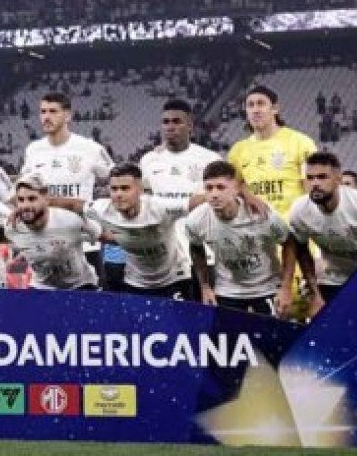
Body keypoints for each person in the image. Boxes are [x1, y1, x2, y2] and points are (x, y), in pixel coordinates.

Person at [49, 163, 207, 300]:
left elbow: (194, 202)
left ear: (140, 190)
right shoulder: (103, 209)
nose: (118, 194)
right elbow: (73, 205)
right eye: (114, 189)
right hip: (135, 282)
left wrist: (218, 197)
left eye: (125, 188)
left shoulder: (160, 208)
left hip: (175, 279)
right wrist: (44, 202)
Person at [282, 151, 357, 318]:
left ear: (338, 179)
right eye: (310, 178)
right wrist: (315, 294)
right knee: (325, 325)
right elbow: (301, 251)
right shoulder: (300, 210)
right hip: (333, 278)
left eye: (322, 177)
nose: (315, 183)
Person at [227, 86, 318, 287]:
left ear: (275, 108)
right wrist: (247, 194)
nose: (255, 109)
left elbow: (312, 190)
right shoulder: (238, 151)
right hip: (257, 239)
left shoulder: (300, 143)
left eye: (261, 104)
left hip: (294, 235)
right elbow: (232, 185)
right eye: (250, 105)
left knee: (302, 299)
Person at [21, 92, 114, 276]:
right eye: (43, 111)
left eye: (53, 111)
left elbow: (115, 178)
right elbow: (25, 189)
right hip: (46, 239)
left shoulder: (90, 148)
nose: (46, 117)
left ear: (67, 116)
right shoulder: (33, 150)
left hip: (83, 240)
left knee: (89, 290)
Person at [139, 98, 223, 298]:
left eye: (177, 121)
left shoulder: (210, 159)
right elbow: (145, 201)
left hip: (204, 250)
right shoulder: (149, 161)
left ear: (190, 125)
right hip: (166, 254)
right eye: (166, 122)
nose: (170, 126)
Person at [185, 161, 291, 316]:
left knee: (272, 332)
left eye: (221, 187)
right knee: (226, 332)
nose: (214, 194)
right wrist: (205, 287)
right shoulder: (196, 220)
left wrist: (285, 287)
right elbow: (195, 247)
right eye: (209, 188)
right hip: (227, 291)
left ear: (236, 189)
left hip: (266, 289)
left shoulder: (262, 214)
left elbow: (289, 242)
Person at [5, 172, 102, 290]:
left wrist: (87, 222)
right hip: (42, 287)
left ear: (46, 199)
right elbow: (29, 252)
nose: (25, 205)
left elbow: (98, 233)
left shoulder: (70, 221)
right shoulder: (12, 227)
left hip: (80, 285)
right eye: (21, 200)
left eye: (32, 199)